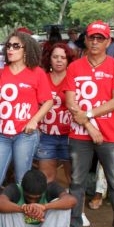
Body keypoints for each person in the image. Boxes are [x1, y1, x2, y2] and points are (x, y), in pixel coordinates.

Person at [0, 30, 53, 227]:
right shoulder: (0, 71)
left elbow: (47, 101)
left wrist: (35, 120)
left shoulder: (37, 73)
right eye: (8, 46)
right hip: (1, 134)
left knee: (21, 180)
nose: (10, 49)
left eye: (15, 46)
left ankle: (21, 225)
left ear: (26, 49)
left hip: (24, 135)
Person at [64, 20, 114, 227]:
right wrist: (90, 125)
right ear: (85, 40)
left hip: (111, 134)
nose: (95, 42)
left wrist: (90, 114)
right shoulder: (75, 67)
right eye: (92, 37)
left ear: (108, 42)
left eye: (100, 38)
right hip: (80, 134)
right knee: (76, 182)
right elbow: (70, 102)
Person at [36, 43, 75, 184]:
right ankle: (48, 206)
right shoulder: (42, 77)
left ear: (68, 60)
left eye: (63, 57)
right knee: (46, 177)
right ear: (49, 59)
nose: (59, 60)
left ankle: (73, 205)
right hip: (46, 134)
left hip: (70, 134)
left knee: (73, 178)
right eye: (55, 57)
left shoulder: (74, 79)